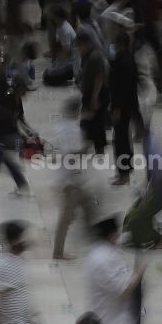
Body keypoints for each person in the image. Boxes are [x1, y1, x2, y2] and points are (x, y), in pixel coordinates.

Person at [0, 221, 50, 324]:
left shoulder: (19, 261)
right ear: (15, 240)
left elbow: (21, 292)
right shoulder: (3, 265)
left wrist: (33, 314)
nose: (28, 241)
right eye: (24, 237)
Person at [85, 218, 146, 324]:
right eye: (117, 233)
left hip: (113, 322)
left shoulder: (100, 249)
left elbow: (123, 239)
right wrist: (139, 271)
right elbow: (125, 291)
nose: (119, 235)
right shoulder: (103, 261)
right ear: (110, 236)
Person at [51, 96, 96, 260]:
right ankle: (58, 252)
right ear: (76, 111)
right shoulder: (72, 129)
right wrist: (86, 149)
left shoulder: (62, 127)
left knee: (87, 208)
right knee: (67, 216)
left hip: (69, 177)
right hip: (71, 179)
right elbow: (71, 156)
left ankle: (97, 241)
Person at [123, 131, 162, 250]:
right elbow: (151, 175)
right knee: (133, 214)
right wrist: (143, 190)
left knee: (136, 219)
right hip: (159, 189)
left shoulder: (152, 149)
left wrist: (145, 200)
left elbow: (158, 180)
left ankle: (159, 239)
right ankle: (136, 237)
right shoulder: (149, 142)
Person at [110, 32, 142, 185]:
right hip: (129, 105)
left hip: (122, 107)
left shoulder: (122, 61)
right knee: (124, 138)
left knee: (121, 140)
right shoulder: (130, 59)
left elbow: (120, 89)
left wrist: (117, 108)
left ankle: (124, 175)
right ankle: (125, 172)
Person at [77, 31, 109, 155]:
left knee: (96, 122)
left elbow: (99, 77)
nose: (80, 48)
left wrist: (95, 97)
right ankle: (89, 145)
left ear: (88, 44)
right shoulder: (87, 56)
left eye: (81, 45)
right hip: (90, 93)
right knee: (89, 120)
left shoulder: (95, 57)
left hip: (97, 93)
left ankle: (99, 148)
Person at [43, 6, 76, 86]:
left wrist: (53, 55)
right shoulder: (60, 26)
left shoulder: (65, 30)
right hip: (64, 61)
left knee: (48, 77)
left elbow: (67, 53)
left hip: (70, 64)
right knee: (46, 74)